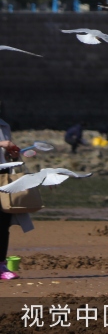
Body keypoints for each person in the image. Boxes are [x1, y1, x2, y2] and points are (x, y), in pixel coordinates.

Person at [0, 115, 34, 280]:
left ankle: (1, 265)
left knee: (3, 223)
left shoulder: (4, 126)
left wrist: (13, 155)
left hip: (4, 178)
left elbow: (6, 157)